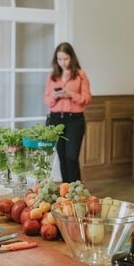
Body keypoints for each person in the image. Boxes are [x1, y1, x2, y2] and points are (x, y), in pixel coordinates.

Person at [44, 42, 92, 183]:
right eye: (59, 59)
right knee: (62, 157)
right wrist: (54, 96)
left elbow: (87, 99)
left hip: (74, 120)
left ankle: (75, 190)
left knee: (71, 156)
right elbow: (47, 100)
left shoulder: (81, 75)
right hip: (56, 119)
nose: (63, 63)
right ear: (56, 60)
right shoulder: (53, 76)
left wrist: (71, 94)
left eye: (65, 59)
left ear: (72, 57)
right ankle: (66, 192)